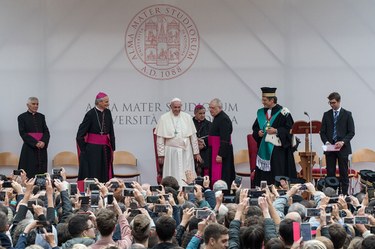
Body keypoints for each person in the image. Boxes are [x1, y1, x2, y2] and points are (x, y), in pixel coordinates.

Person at [252, 87, 296, 186]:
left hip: (277, 150)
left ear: (272, 100)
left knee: (277, 173)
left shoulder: (283, 112)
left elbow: (290, 129)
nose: (263, 102)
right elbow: (255, 128)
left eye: (265, 100)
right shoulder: (261, 113)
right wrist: (258, 133)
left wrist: (276, 130)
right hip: (263, 148)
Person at [154, 98, 202, 187]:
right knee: (172, 171)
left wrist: (196, 152)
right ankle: (171, 189)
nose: (177, 109)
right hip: (171, 152)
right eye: (175, 107)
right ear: (170, 106)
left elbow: (193, 137)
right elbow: (160, 139)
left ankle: (188, 188)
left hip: (186, 151)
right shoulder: (164, 118)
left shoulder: (187, 117)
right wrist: (161, 154)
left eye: (179, 107)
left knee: (186, 171)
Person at [76, 92, 115, 185]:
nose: (108, 104)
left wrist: (113, 147)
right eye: (106, 102)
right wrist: (84, 149)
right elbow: (80, 134)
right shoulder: (90, 114)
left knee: (105, 172)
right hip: (92, 150)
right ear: (99, 102)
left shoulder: (108, 112)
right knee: (94, 172)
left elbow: (111, 131)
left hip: (105, 149)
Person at [320, 92, 355, 195]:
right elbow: (322, 132)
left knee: (344, 172)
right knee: (330, 172)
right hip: (330, 148)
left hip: (343, 148)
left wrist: (343, 141)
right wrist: (327, 142)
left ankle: (344, 194)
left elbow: (351, 132)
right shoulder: (326, 114)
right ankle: (331, 194)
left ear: (339, 101)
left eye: (334, 103)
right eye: (330, 103)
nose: (332, 105)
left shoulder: (347, 114)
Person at [18, 97, 50, 178]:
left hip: (41, 148)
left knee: (41, 174)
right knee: (29, 171)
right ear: (28, 105)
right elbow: (23, 133)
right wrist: (35, 143)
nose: (36, 106)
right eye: (33, 104)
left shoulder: (41, 117)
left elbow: (46, 131)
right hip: (29, 148)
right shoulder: (21, 117)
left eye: (37, 104)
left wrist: (43, 142)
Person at [208, 98, 235, 187]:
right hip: (215, 150)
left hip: (221, 152)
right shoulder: (217, 117)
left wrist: (220, 154)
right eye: (210, 108)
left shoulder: (223, 119)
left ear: (219, 108)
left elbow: (225, 138)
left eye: (213, 108)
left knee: (223, 175)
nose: (210, 110)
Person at [192, 104, 211, 176]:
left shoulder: (209, 125)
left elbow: (211, 139)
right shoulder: (190, 123)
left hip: (204, 152)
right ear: (195, 113)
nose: (202, 115)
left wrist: (204, 145)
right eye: (200, 113)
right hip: (192, 152)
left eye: (204, 113)